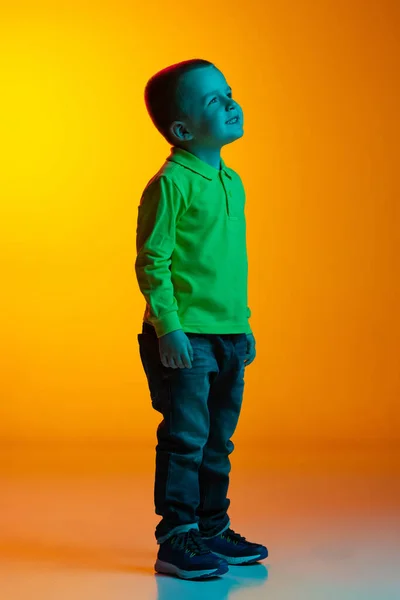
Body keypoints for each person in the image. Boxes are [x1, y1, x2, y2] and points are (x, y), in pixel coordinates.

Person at [135, 58, 268, 580]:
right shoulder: (172, 182)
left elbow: (227, 266)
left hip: (229, 334)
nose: (231, 103)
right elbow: (153, 259)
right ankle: (177, 539)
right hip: (186, 338)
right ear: (183, 130)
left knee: (218, 440)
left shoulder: (231, 180)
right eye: (215, 100)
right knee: (186, 439)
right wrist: (167, 326)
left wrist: (244, 324)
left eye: (229, 92)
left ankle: (213, 528)